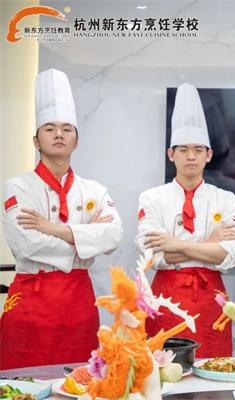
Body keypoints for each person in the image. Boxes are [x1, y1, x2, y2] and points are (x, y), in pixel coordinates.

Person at [0, 68, 123, 369]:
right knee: (21, 383)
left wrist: (53, 229)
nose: (59, 134)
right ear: (36, 140)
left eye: (67, 129)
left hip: (79, 305)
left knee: (80, 380)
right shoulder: (17, 187)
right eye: (50, 128)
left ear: (76, 140)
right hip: (30, 304)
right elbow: (27, 244)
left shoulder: (94, 190)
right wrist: (86, 241)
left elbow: (114, 236)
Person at [136, 83, 235, 357]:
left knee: (214, 370)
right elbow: (153, 256)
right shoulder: (151, 198)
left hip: (212, 302)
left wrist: (173, 244)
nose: (191, 156)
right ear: (171, 154)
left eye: (198, 149)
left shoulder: (227, 199)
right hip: (164, 301)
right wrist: (209, 244)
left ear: (209, 154)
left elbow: (230, 255)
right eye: (183, 149)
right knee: (165, 372)